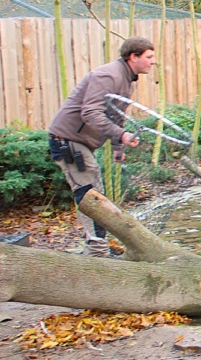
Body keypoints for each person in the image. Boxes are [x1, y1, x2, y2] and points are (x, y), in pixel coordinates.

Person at [48, 36, 157, 257]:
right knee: (89, 194)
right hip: (67, 139)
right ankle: (96, 251)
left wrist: (119, 145)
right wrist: (121, 134)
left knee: (94, 191)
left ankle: (96, 247)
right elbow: (90, 113)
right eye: (149, 57)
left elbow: (116, 115)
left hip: (81, 142)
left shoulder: (127, 79)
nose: (153, 62)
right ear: (133, 57)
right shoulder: (108, 75)